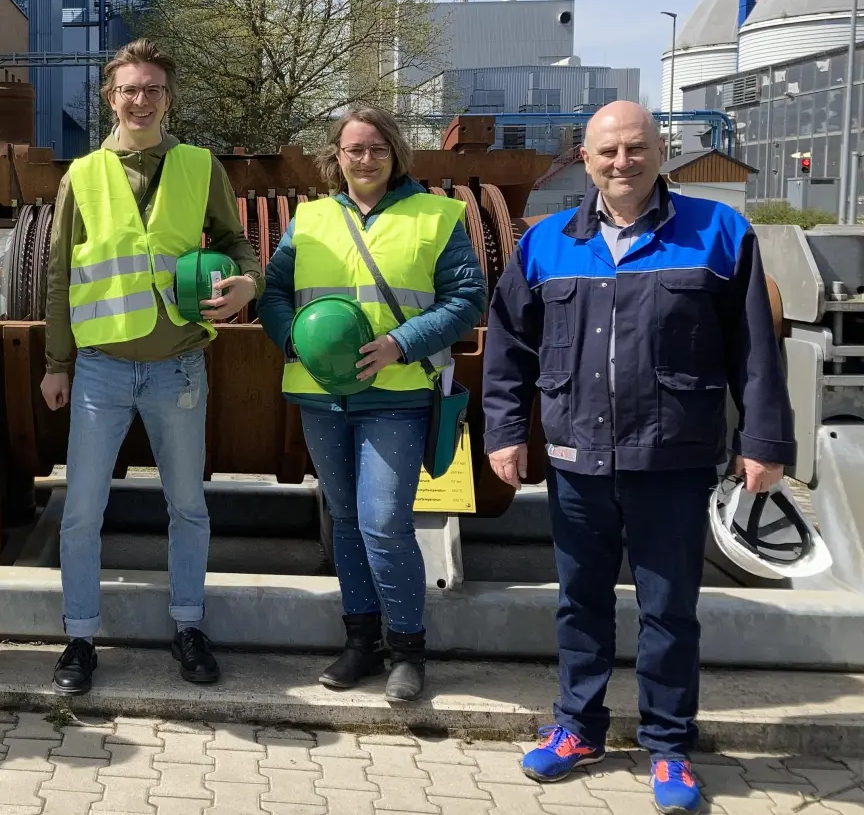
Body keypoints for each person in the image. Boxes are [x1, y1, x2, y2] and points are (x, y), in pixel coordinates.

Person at [483, 101, 794, 814]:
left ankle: (669, 746)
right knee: (581, 602)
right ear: (583, 160)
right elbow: (508, 347)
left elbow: (755, 351)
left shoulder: (719, 233)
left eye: (635, 149)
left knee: (669, 610)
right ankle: (578, 728)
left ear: (661, 152)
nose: (621, 162)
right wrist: (503, 431)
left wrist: (765, 442)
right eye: (607, 152)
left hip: (674, 460)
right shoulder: (546, 242)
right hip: (576, 458)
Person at [41, 39, 261, 696]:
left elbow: (235, 243)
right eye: (129, 90)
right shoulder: (81, 174)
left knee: (188, 506)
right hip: (102, 367)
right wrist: (58, 363)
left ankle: (189, 626)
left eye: (153, 90)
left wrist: (248, 283)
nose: (141, 100)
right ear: (110, 97)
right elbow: (58, 273)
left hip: (178, 367)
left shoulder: (200, 167)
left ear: (169, 97)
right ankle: (79, 637)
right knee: (81, 510)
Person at [258, 107, 485, 704]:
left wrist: (398, 344)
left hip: (398, 394)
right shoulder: (307, 220)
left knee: (384, 521)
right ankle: (360, 642)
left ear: (396, 154)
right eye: (353, 149)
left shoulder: (436, 216)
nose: (365, 159)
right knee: (348, 521)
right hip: (321, 396)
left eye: (377, 149)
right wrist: (292, 339)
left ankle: (407, 649)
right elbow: (275, 293)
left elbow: (467, 298)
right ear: (335, 156)